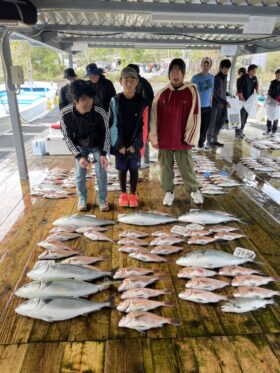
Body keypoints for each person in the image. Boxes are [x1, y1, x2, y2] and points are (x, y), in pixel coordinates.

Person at [149, 58, 203, 206]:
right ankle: (168, 191)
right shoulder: (162, 94)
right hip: (164, 138)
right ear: (169, 74)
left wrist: (190, 137)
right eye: (172, 71)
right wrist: (154, 137)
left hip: (182, 138)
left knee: (186, 166)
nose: (175, 74)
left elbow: (195, 115)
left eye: (178, 70)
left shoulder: (191, 91)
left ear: (183, 73)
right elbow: (153, 117)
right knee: (165, 167)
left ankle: (193, 190)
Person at [60, 80, 110, 212]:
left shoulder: (99, 111)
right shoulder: (65, 114)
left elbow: (106, 133)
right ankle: (82, 198)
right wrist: (78, 156)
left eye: (90, 98)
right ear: (75, 100)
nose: (88, 102)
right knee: (79, 173)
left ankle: (102, 199)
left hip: (97, 144)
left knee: (101, 172)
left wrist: (104, 154)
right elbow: (67, 138)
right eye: (83, 99)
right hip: (79, 145)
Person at [109, 67, 148, 208]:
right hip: (120, 144)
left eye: (133, 79)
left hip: (134, 146)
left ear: (137, 82)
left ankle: (133, 194)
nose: (129, 83)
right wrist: (118, 145)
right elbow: (112, 124)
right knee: (122, 169)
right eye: (126, 79)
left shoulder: (142, 103)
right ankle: (123, 193)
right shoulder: (115, 100)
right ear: (120, 81)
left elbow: (144, 128)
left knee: (134, 169)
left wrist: (136, 145)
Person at [127, 63, 154, 167]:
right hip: (134, 114)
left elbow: (148, 101)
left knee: (144, 136)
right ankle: (137, 158)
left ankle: (145, 160)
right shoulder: (132, 82)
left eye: (131, 72)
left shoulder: (143, 84)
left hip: (143, 114)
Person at [206, 59, 231, 149]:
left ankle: (215, 140)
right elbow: (215, 93)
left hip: (222, 105)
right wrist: (225, 102)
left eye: (228, 69)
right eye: (225, 68)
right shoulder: (216, 78)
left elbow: (223, 91)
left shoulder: (225, 78)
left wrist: (229, 94)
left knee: (219, 123)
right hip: (215, 105)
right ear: (220, 68)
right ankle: (209, 142)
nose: (226, 70)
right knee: (212, 124)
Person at [191, 57, 214, 148]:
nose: (206, 66)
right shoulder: (195, 78)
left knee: (204, 128)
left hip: (208, 107)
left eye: (208, 65)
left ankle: (201, 144)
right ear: (201, 65)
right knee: (195, 127)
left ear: (210, 66)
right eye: (204, 64)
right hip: (197, 107)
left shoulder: (212, 78)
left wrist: (211, 103)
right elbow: (191, 92)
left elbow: (213, 92)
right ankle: (192, 143)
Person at [235, 64, 259, 138]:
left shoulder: (254, 77)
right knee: (241, 116)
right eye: (254, 71)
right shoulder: (244, 77)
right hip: (243, 100)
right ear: (250, 71)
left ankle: (241, 130)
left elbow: (256, 85)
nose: (255, 72)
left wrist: (257, 89)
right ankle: (238, 131)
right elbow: (239, 88)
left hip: (249, 101)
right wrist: (241, 96)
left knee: (245, 116)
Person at [263, 68, 280, 136]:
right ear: (275, 75)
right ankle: (268, 130)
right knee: (269, 116)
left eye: (279, 74)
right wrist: (268, 100)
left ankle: (274, 131)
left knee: (276, 116)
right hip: (271, 101)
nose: (278, 76)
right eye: (277, 74)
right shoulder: (272, 82)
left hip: (278, 103)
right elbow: (269, 92)